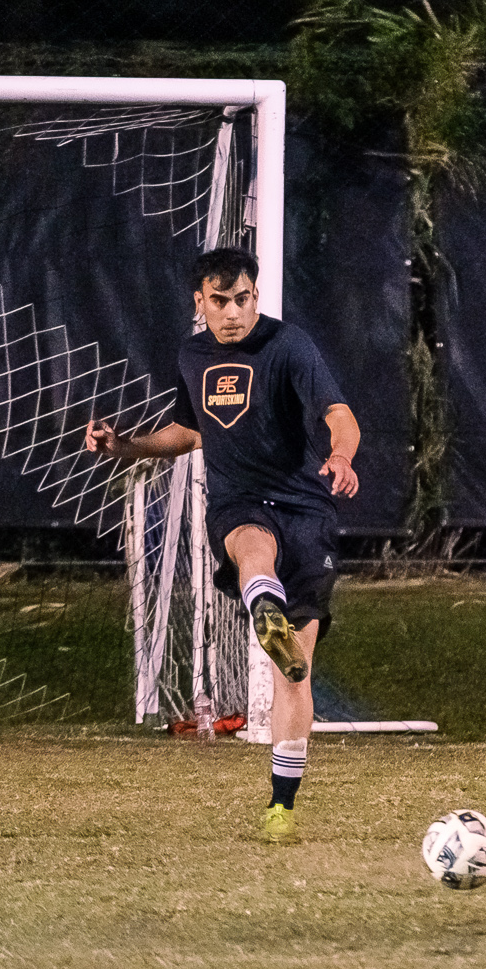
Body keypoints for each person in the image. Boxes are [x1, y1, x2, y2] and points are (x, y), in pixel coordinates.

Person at [85, 247, 360, 843]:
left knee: (295, 672)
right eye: (219, 301)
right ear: (200, 302)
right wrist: (125, 446)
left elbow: (339, 413)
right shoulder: (193, 356)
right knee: (251, 546)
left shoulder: (289, 346)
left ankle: (282, 804)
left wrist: (341, 456)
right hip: (239, 502)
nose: (232, 313)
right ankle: (265, 606)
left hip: (306, 509)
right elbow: (189, 433)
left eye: (242, 300)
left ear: (255, 296)